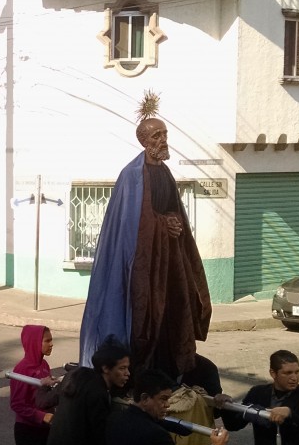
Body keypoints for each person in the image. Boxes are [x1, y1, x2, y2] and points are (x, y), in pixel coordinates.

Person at [79, 92, 212, 379]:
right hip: (144, 263)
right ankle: (139, 372)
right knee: (146, 316)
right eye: (156, 136)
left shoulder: (165, 172)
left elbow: (173, 210)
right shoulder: (132, 176)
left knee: (175, 310)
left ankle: (169, 370)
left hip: (169, 258)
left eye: (164, 134)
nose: (162, 140)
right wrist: (163, 226)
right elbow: (131, 224)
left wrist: (175, 225)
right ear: (144, 140)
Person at [39, 340, 131, 445]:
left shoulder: (74, 376)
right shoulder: (99, 393)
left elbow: (43, 402)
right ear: (105, 368)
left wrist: (43, 387)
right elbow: (102, 438)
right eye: (122, 368)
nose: (128, 374)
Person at [8, 325, 55, 445]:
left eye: (52, 340)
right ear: (35, 342)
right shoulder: (21, 369)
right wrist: (41, 416)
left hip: (45, 430)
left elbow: (44, 396)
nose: (52, 344)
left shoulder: (44, 365)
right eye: (47, 340)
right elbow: (17, 404)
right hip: (27, 432)